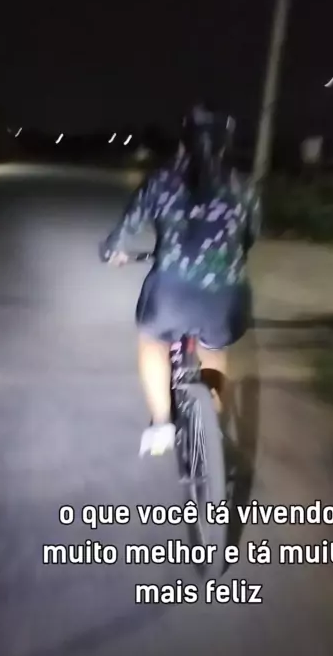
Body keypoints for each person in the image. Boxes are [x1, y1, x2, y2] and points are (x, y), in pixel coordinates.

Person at [99, 103, 261, 457]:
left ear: (183, 143)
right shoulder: (244, 186)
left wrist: (113, 252)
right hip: (226, 296)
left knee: (153, 341)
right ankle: (210, 429)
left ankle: (161, 424)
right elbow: (250, 237)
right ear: (224, 146)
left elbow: (124, 232)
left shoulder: (162, 180)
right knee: (214, 351)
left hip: (171, 293)